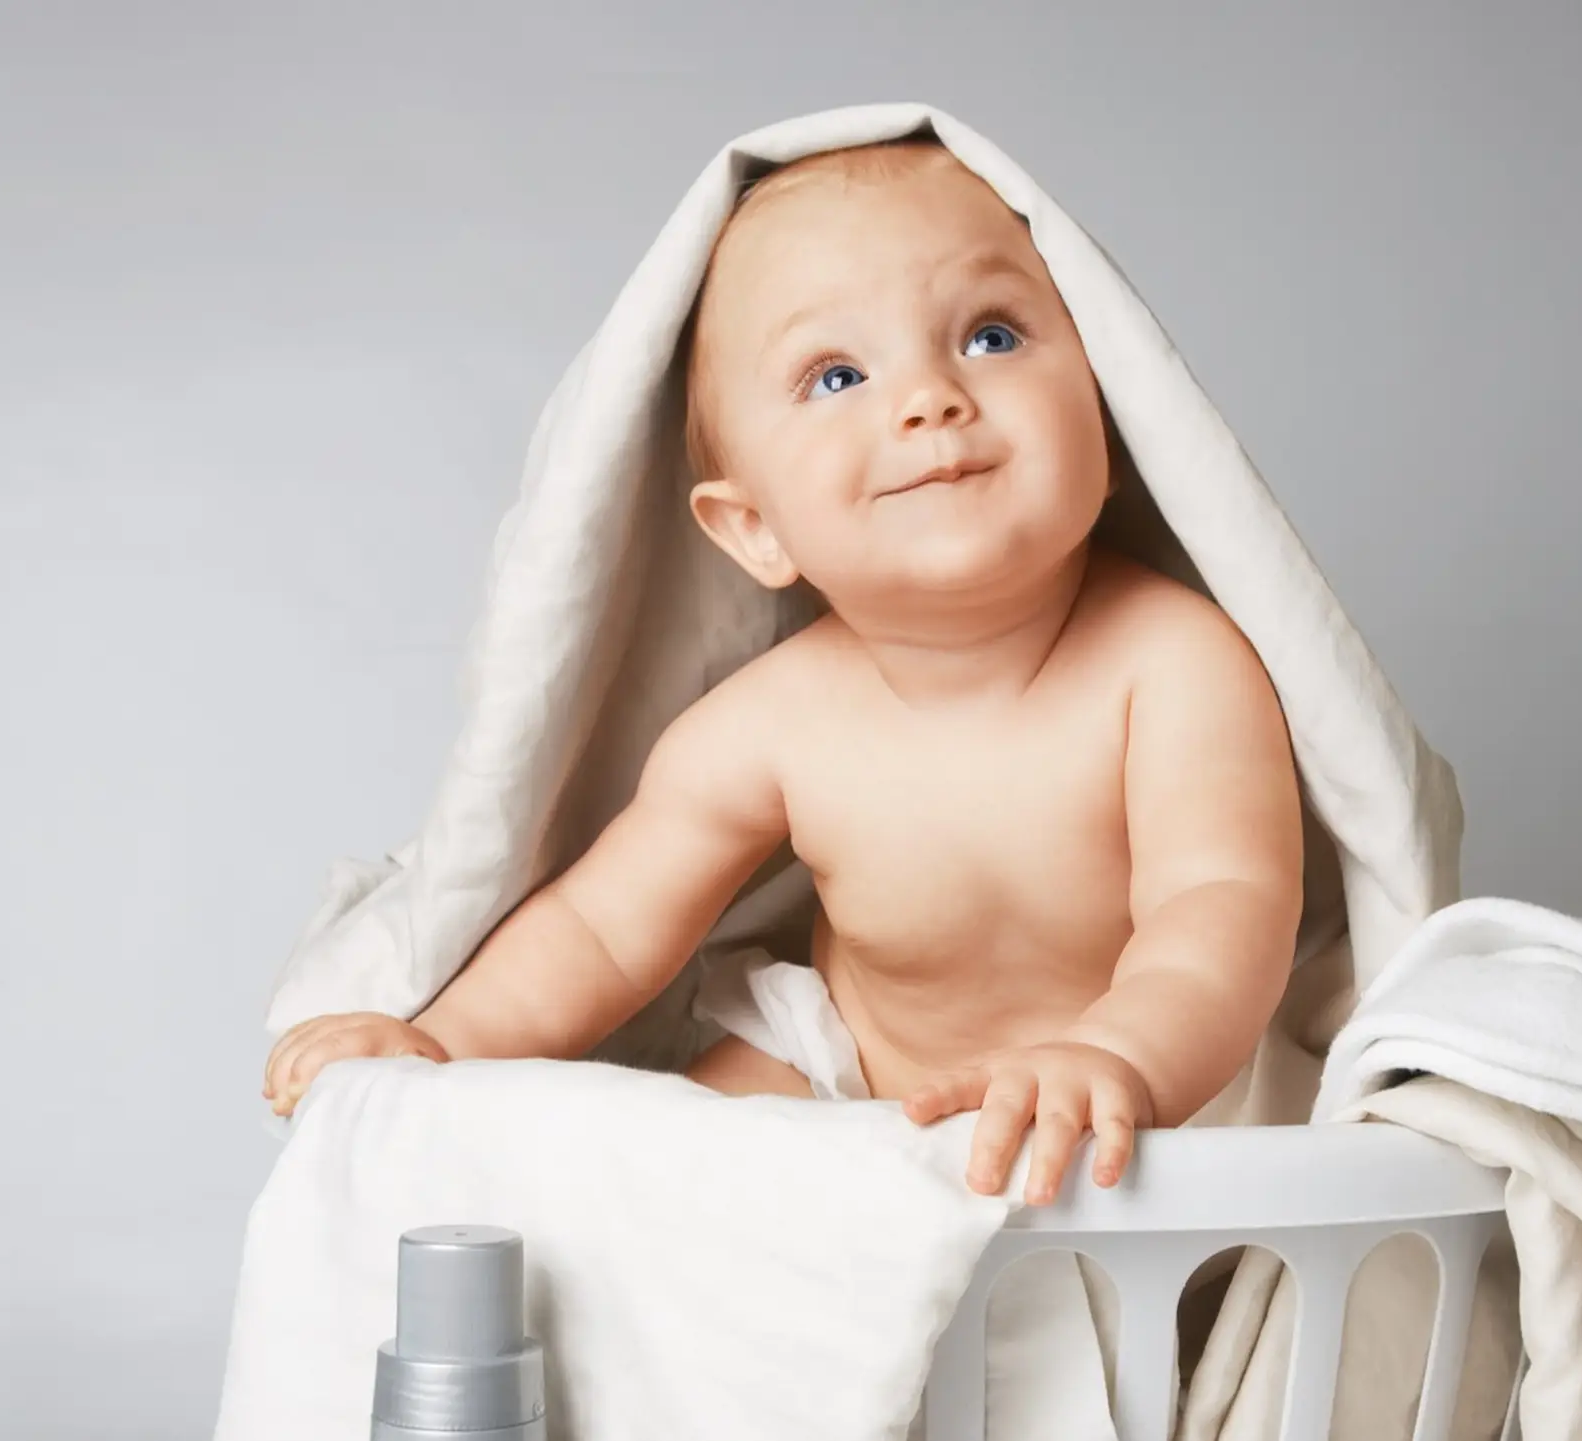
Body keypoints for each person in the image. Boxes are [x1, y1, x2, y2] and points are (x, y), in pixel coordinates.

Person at [263, 136, 1304, 1208]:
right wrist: (436, 1040)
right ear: (754, 527)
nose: (930, 399)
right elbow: (601, 931)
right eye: (838, 375)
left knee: (1155, 1201)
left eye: (991, 336)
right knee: (653, 1193)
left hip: (1153, 1092)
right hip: (848, 1077)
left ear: (1107, 409)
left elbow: (1220, 906)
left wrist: (1120, 1056)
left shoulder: (1174, 666)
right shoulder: (772, 722)